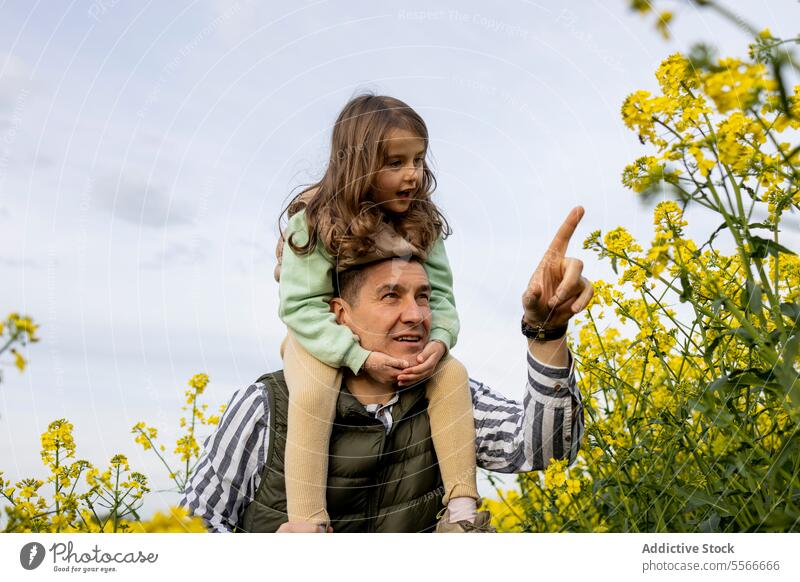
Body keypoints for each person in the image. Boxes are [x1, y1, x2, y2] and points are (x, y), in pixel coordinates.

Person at [180, 207, 594, 533]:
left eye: (424, 297)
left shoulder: (448, 394)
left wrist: (547, 331)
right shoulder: (268, 408)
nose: (415, 315)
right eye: (391, 296)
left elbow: (546, 451)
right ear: (339, 314)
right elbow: (188, 533)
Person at [275, 94, 482, 530]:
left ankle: (461, 514)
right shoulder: (314, 222)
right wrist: (357, 357)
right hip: (319, 335)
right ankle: (309, 523)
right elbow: (300, 306)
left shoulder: (422, 222)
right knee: (314, 392)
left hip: (382, 338)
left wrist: (440, 341)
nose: (413, 175)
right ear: (358, 165)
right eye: (396, 163)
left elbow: (441, 296)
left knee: (453, 374)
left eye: (419, 160)